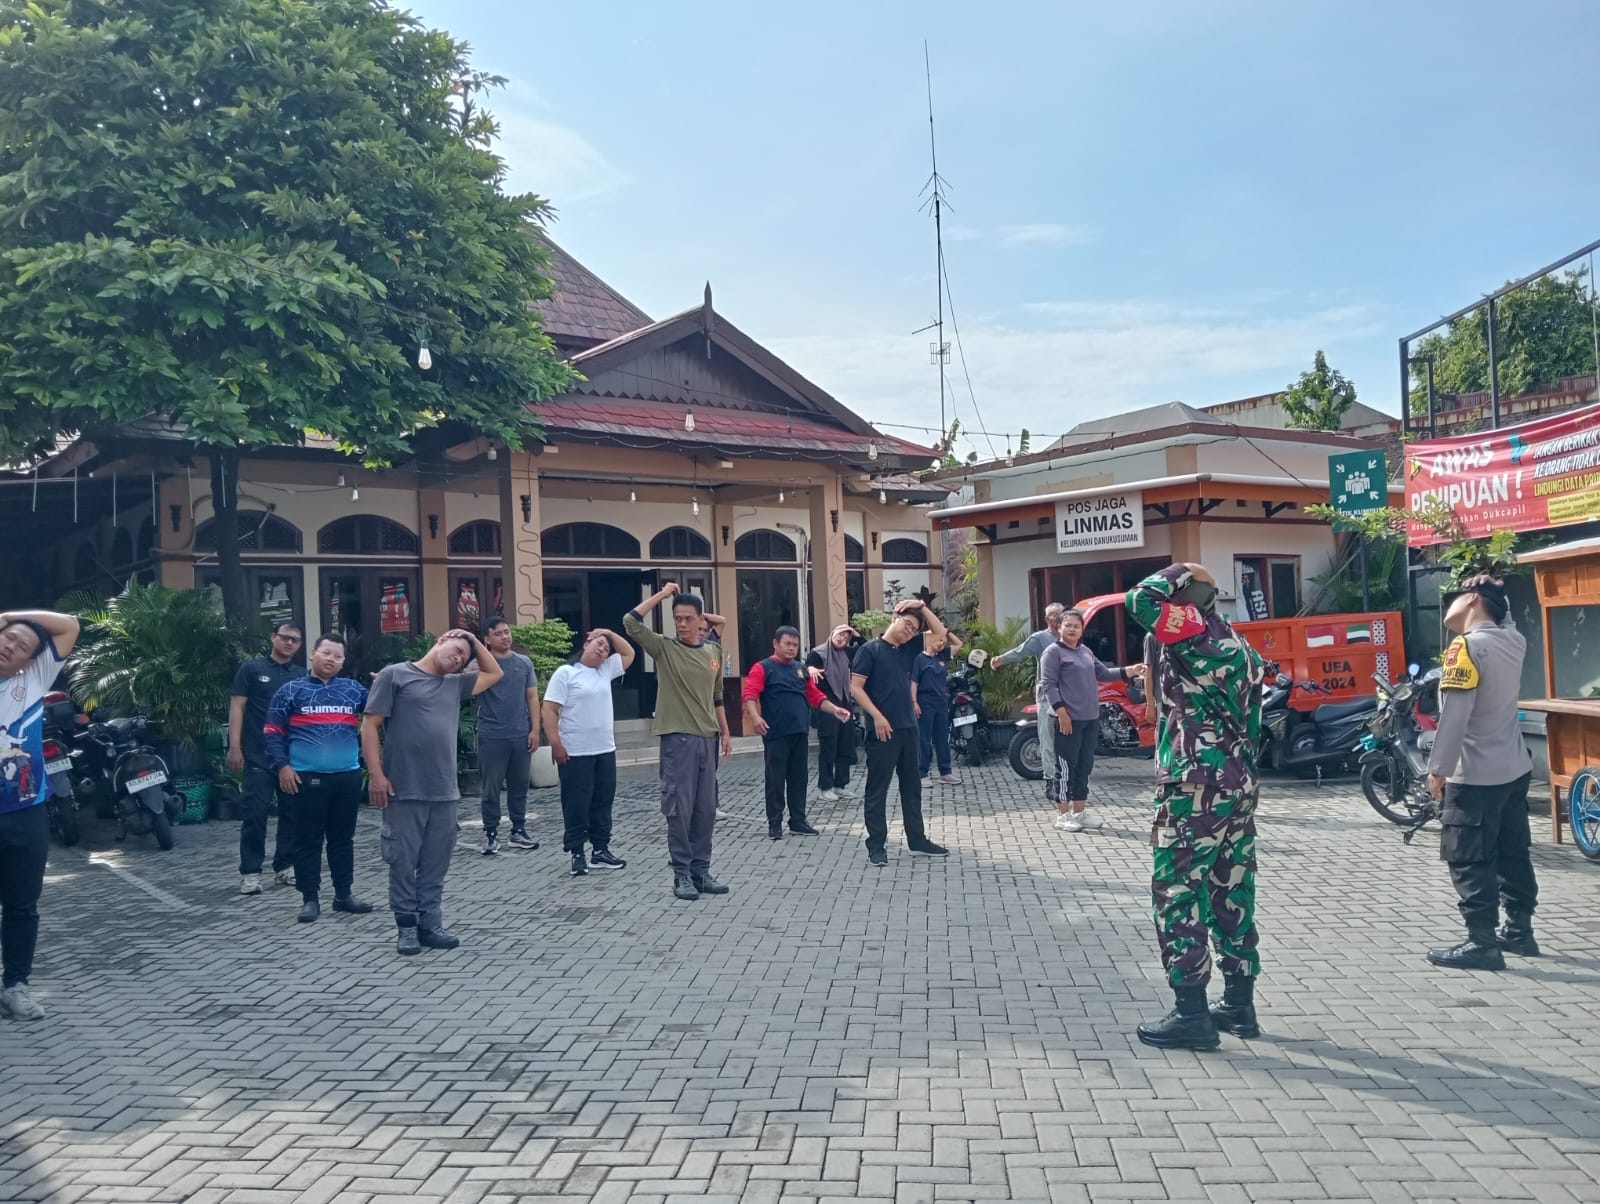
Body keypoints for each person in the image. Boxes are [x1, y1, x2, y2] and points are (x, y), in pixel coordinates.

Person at [1126, 563, 1266, 1050]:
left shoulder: (1193, 635)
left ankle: (1192, 1013)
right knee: (1232, 887)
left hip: (1196, 783)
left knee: (1177, 890)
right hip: (1237, 781)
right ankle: (1239, 1004)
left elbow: (1139, 600)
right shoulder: (1238, 644)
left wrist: (1179, 569)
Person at [363, 629, 501, 956]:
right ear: (440, 641)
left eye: (462, 659)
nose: (457, 660)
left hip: (444, 790)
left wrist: (471, 637)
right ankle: (406, 927)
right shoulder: (394, 675)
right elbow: (369, 725)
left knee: (435, 863)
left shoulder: (454, 685)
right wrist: (376, 775)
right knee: (402, 860)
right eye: (455, 650)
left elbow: (495, 672)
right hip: (403, 787)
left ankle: (431, 923)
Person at [1424, 575, 1538, 972]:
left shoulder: (1466, 648)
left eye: (1456, 596)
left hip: (1473, 774)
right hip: (1513, 767)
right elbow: (1509, 622)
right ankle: (1520, 930)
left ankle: (1482, 942)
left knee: (1469, 857)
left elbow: (1456, 714)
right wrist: (1500, 592)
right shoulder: (1512, 642)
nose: (1449, 606)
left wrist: (1437, 769)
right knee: (1512, 851)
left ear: (1472, 599)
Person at [624, 584, 732, 900]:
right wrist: (662, 595)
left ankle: (701, 872)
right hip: (678, 741)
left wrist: (725, 732)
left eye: (688, 618)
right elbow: (630, 622)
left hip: (707, 740)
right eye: (677, 618)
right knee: (679, 810)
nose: (681, 624)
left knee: (705, 809)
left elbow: (717, 696)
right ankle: (681, 874)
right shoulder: (664, 648)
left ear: (701, 621)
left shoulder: (712, 651)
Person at [0, 609, 80, 1022]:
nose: (10, 647)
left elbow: (69, 626)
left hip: (24, 811)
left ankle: (15, 985)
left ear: (31, 661)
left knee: (21, 905)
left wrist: (10, 615)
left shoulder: (30, 681)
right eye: (7, 637)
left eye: (22, 647)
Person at [263, 634, 375, 925]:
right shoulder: (290, 690)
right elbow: (273, 733)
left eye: (338, 656)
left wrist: (384, 682)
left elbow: (380, 710)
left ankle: (343, 895)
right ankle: (309, 898)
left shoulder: (353, 690)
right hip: (305, 779)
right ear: (313, 654)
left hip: (346, 778)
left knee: (342, 840)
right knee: (308, 841)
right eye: (326, 653)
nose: (331, 660)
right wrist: (283, 768)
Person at [850, 598, 951, 867]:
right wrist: (877, 717)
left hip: (909, 729)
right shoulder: (870, 650)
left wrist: (922, 606)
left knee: (912, 787)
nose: (909, 631)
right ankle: (876, 845)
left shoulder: (908, 650)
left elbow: (941, 633)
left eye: (914, 629)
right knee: (877, 790)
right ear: (894, 618)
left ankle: (917, 840)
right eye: (907, 624)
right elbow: (856, 688)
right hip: (883, 731)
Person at [1041, 609, 1145, 832]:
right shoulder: (1053, 652)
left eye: (1076, 626)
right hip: (1067, 719)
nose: (1071, 629)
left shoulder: (1085, 651)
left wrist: (1131, 670)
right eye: (1067, 625)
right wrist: (1062, 713)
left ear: (1082, 629)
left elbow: (1104, 673)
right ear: (1059, 627)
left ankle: (1079, 812)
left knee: (1084, 766)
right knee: (1066, 767)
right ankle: (1062, 815)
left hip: (1090, 718)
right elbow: (1048, 685)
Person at [743, 626, 851, 840]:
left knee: (799, 778)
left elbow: (815, 696)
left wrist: (835, 709)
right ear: (775, 644)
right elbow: (749, 694)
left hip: (799, 732)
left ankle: (798, 821)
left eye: (795, 645)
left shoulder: (800, 669)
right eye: (787, 644)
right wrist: (755, 717)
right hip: (776, 734)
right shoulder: (762, 667)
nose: (792, 648)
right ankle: (775, 823)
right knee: (775, 780)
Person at [543, 629, 635, 877]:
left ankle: (600, 850)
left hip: (604, 750)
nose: (602, 649)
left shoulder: (606, 670)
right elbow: (549, 710)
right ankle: (577, 853)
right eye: (598, 643)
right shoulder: (566, 673)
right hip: (575, 752)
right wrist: (556, 743)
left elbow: (629, 652)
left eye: (606, 648)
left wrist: (608, 633)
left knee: (602, 802)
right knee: (576, 803)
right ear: (586, 643)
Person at [228, 620, 306, 895]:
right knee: (255, 814)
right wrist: (234, 746)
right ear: (273, 638)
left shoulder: (301, 675)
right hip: (258, 755)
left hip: (292, 757)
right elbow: (238, 707)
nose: (289, 643)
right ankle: (250, 872)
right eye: (284, 637)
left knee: (292, 814)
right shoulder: (252, 669)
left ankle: (285, 866)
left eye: (294, 640)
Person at [476, 616, 541, 855]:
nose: (505, 637)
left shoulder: (523, 663)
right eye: (499, 634)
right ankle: (491, 833)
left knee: (519, 785)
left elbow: (532, 697)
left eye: (507, 632)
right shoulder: (481, 665)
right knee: (491, 787)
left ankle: (518, 830)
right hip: (491, 735)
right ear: (487, 639)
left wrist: (535, 729)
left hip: (520, 733)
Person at [991, 603, 1067, 799]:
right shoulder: (1040, 638)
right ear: (1047, 619)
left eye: (1060, 614)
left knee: (1069, 739)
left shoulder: (1070, 636)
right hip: (1047, 697)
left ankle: (1069, 779)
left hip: (1069, 696)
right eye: (1053, 615)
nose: (1057, 617)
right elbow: (1019, 651)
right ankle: (1051, 781)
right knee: (1048, 738)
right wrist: (1000, 659)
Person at [806, 625, 860, 803]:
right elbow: (806, 669)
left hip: (845, 701)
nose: (842, 639)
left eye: (846, 638)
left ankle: (840, 785)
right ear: (832, 634)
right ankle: (825, 787)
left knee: (846, 743)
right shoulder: (818, 653)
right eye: (840, 635)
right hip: (826, 703)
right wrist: (810, 670)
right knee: (829, 745)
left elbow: (864, 645)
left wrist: (854, 633)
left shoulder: (846, 654)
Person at [912, 630, 965, 786]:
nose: (941, 644)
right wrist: (914, 701)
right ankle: (922, 773)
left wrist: (946, 632)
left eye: (943, 641)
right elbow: (913, 682)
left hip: (941, 701)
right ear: (928, 640)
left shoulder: (942, 656)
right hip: (925, 701)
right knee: (924, 739)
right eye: (938, 640)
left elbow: (959, 644)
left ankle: (945, 771)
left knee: (942, 737)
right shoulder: (919, 659)